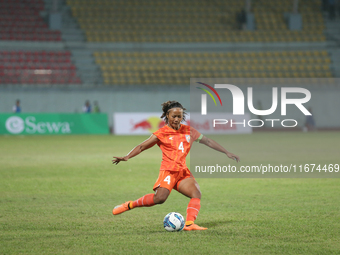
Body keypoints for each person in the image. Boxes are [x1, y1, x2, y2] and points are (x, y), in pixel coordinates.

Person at [112, 101, 240, 231]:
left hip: (182, 172)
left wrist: (226, 152)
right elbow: (141, 146)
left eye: (179, 116)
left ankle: (189, 224)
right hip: (168, 171)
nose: (177, 119)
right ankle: (129, 205)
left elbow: (207, 141)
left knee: (196, 193)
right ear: (167, 115)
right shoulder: (161, 133)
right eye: (174, 116)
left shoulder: (189, 131)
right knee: (159, 199)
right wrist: (127, 157)